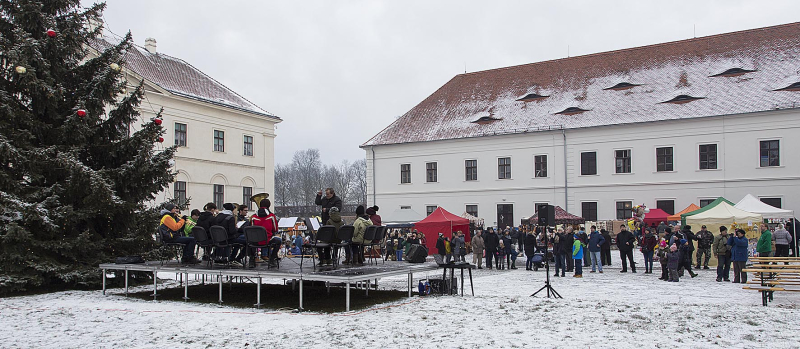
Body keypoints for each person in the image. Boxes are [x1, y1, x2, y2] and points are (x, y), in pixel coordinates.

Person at [249, 198, 280, 267]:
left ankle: (252, 259)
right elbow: (275, 229)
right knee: (279, 241)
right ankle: (272, 259)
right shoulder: (271, 216)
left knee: (250, 240)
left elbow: (251, 229)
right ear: (269, 206)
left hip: (255, 241)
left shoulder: (253, 217)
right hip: (267, 240)